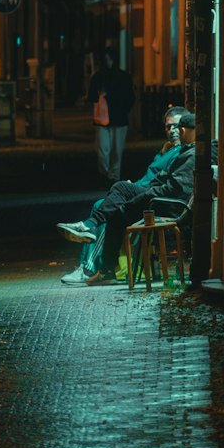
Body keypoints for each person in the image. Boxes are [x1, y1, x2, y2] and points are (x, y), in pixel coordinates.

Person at [56, 112, 196, 287]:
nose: (174, 131)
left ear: (185, 130)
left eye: (177, 127)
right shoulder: (172, 150)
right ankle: (99, 257)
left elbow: (176, 187)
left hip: (162, 202)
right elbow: (160, 179)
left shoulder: (187, 153)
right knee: (116, 197)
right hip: (155, 196)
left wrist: (145, 193)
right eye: (168, 126)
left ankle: (90, 259)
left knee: (113, 205)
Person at [87, 48, 136, 182]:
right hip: (115, 118)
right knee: (111, 151)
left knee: (109, 151)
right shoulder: (122, 77)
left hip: (108, 119)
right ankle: (111, 175)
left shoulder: (99, 77)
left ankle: (109, 176)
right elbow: (130, 98)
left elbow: (91, 98)